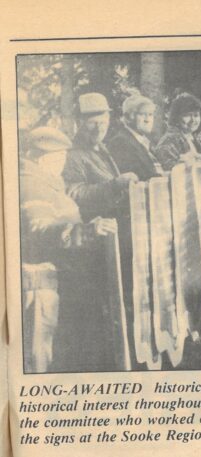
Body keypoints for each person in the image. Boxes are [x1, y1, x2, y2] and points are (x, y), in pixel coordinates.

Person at [20, 127, 117, 372]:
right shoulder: (30, 184)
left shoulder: (49, 182)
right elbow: (40, 230)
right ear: (45, 157)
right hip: (48, 284)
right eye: (60, 156)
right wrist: (84, 231)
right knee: (51, 357)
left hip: (66, 280)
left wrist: (87, 229)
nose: (63, 162)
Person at [63, 92, 138, 221]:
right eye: (92, 123)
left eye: (103, 123)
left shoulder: (100, 148)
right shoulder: (73, 154)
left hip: (114, 223)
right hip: (97, 229)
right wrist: (115, 185)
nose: (98, 129)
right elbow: (75, 195)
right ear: (79, 123)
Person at [107, 94, 161, 181]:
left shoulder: (144, 141)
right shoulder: (120, 142)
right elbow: (136, 179)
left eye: (150, 114)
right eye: (142, 114)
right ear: (127, 117)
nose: (147, 120)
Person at [154, 92, 201, 171]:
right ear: (176, 117)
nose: (193, 120)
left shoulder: (193, 140)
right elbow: (166, 169)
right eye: (187, 115)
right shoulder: (169, 139)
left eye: (196, 115)